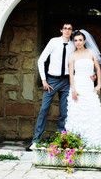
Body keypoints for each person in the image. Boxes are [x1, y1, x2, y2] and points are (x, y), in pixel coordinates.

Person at [26, 22, 75, 151]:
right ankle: (36, 141)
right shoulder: (53, 42)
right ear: (61, 30)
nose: (67, 31)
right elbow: (41, 60)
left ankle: (62, 141)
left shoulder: (73, 45)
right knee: (44, 109)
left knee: (64, 113)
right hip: (51, 81)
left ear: (72, 31)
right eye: (65, 28)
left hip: (66, 81)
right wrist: (44, 80)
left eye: (69, 29)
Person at [65, 30, 101, 150]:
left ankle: (93, 143)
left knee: (92, 113)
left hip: (89, 87)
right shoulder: (72, 55)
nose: (78, 42)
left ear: (85, 41)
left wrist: (98, 85)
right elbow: (71, 75)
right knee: (77, 114)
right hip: (78, 86)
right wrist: (73, 89)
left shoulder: (91, 53)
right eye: (76, 40)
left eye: (80, 40)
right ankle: (77, 144)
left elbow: (98, 69)